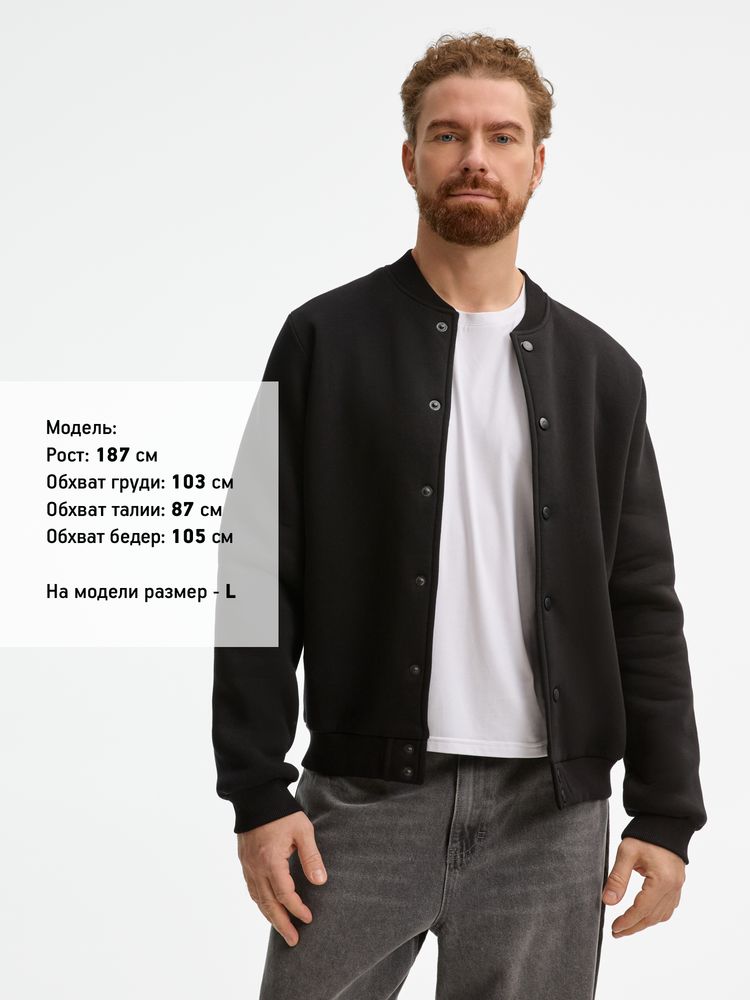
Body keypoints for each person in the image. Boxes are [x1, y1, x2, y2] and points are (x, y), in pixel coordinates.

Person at [212, 32, 707, 999]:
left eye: (501, 137)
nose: (474, 157)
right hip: (361, 803)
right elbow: (254, 567)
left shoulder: (602, 374)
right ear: (410, 158)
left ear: (536, 164)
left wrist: (666, 812)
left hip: (550, 821)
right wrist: (257, 791)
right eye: (448, 135)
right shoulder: (324, 341)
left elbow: (643, 601)